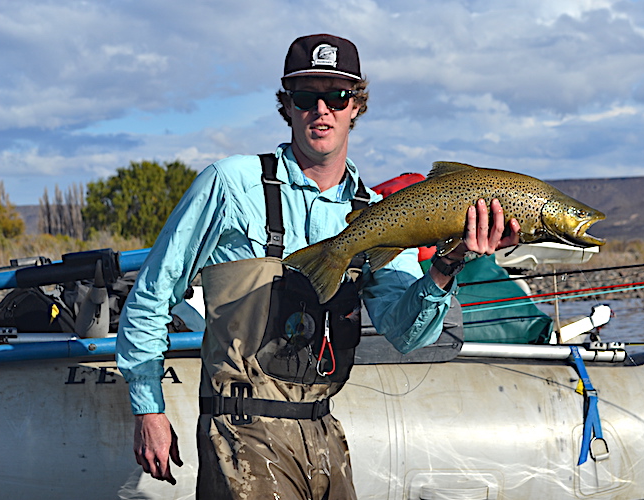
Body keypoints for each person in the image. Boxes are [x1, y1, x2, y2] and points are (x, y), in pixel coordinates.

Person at [116, 33, 520, 499]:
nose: (321, 109)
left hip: (324, 431)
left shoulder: (383, 213)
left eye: (337, 96)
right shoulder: (229, 184)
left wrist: (449, 264)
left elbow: (405, 334)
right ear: (287, 106)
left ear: (356, 107)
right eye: (306, 97)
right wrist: (149, 408)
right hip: (239, 430)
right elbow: (152, 293)